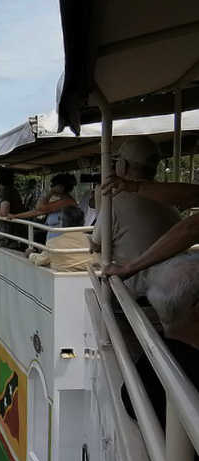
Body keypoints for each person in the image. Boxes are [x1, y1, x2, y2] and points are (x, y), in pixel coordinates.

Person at [99, 172, 199, 349]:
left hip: (144, 297)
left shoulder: (115, 204)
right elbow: (191, 197)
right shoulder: (167, 206)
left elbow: (191, 227)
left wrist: (129, 268)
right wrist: (134, 187)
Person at [90, 136, 181, 286]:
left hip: (138, 294)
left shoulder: (115, 201)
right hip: (175, 288)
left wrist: (101, 199)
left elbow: (96, 244)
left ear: (122, 165)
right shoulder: (167, 197)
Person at [8, 173, 78, 241]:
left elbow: (39, 208)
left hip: (60, 241)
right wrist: (15, 216)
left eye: (53, 185)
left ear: (60, 187)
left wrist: (51, 192)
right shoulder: (63, 201)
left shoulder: (67, 202)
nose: (51, 187)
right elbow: (37, 211)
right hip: (54, 239)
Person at [28, 206, 93, 271]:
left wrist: (30, 255)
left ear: (63, 222)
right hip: (92, 276)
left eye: (59, 218)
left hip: (64, 278)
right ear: (83, 222)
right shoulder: (92, 241)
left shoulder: (53, 243)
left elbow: (40, 260)